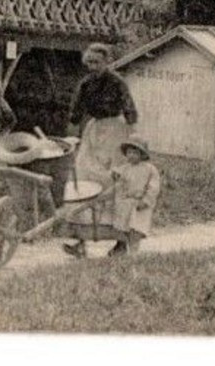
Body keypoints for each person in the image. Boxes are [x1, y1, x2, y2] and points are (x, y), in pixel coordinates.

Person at [66, 43, 138, 185]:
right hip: (95, 126)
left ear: (106, 62)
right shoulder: (85, 84)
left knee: (112, 162)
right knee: (85, 161)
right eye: (90, 63)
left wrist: (132, 128)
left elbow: (128, 104)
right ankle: (88, 190)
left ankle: (110, 193)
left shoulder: (117, 82)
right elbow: (76, 108)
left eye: (97, 62)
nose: (93, 67)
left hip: (115, 126)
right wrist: (73, 127)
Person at [108, 136, 160, 255]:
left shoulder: (150, 169)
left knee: (136, 231)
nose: (131, 155)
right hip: (126, 204)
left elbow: (153, 188)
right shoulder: (125, 168)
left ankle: (134, 254)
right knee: (123, 229)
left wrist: (146, 201)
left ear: (142, 154)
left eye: (135, 153)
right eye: (129, 152)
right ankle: (121, 249)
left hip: (139, 205)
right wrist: (114, 175)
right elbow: (117, 177)